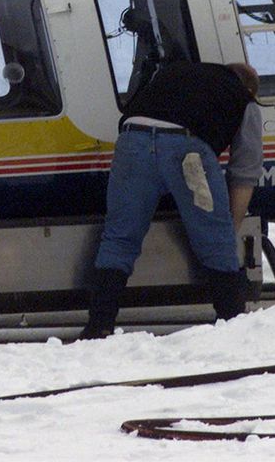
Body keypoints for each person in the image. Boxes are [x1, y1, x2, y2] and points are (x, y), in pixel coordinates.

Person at [79, 60, 263, 339]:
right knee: (216, 241)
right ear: (248, 87)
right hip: (186, 150)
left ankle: (99, 325)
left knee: (119, 238)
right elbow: (244, 174)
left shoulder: (175, 72)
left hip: (132, 140)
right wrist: (230, 228)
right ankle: (232, 323)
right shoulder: (243, 99)